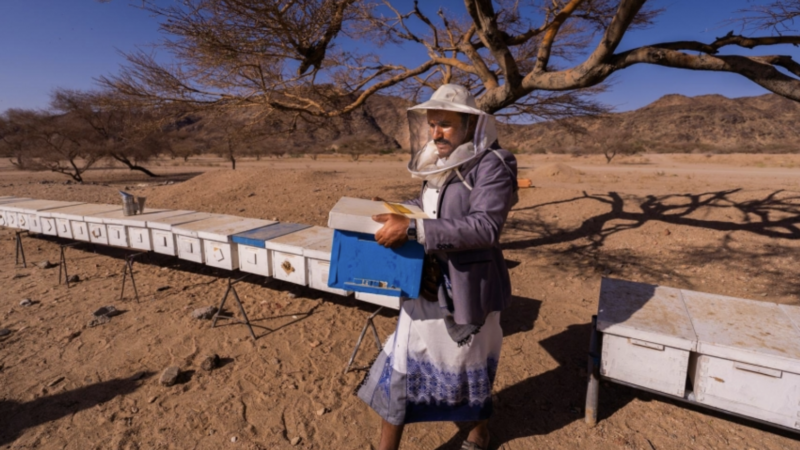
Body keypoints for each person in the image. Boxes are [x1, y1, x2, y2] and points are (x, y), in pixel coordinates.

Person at [357, 84, 518, 450]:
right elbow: (427, 203)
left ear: (470, 126)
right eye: (432, 124)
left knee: (467, 365)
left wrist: (413, 228)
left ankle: (478, 431)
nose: (435, 133)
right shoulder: (438, 161)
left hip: (467, 288)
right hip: (424, 281)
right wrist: (395, 208)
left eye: (445, 124)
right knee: (403, 358)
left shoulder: (494, 163)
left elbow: (485, 226)